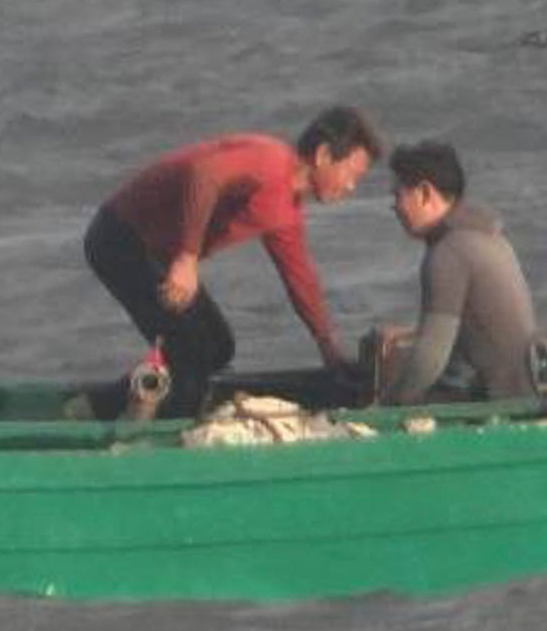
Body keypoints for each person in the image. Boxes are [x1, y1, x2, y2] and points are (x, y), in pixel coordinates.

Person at [83, 105, 380, 413]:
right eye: (352, 173)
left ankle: (96, 407)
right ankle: (169, 440)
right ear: (323, 156)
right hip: (120, 238)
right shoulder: (269, 160)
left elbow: (299, 277)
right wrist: (186, 259)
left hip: (157, 255)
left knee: (218, 347)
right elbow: (202, 175)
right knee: (190, 355)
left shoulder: (286, 212)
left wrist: (326, 343)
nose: (351, 186)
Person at [369, 140, 540, 402]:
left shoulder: (449, 253)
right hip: (523, 388)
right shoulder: (485, 236)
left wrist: (387, 408)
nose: (394, 206)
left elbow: (430, 358)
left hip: (499, 402)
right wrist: (413, 332)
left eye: (398, 195)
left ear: (425, 193)